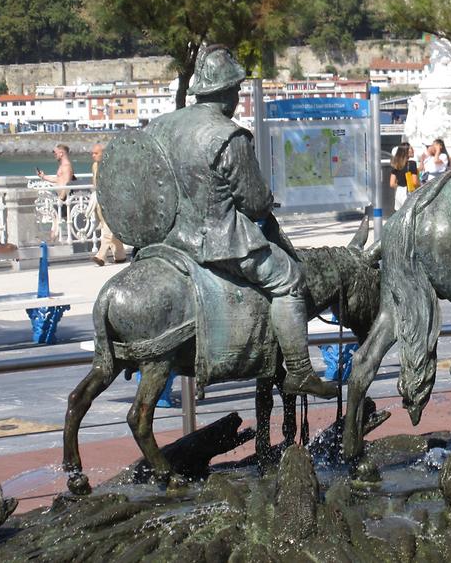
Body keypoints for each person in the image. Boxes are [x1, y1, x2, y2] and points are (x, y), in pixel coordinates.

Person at [143, 45, 336, 399]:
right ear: (227, 92)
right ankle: (299, 370)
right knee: (289, 280)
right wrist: (265, 202)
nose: (238, 95)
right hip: (219, 241)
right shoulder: (229, 135)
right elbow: (255, 203)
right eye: (236, 89)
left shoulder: (161, 127)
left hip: (169, 240)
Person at [89, 143, 126, 266]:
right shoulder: (95, 166)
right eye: (92, 153)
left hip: (112, 200)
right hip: (100, 200)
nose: (93, 155)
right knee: (108, 226)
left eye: (96, 153)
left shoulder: (112, 166)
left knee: (108, 228)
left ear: (104, 154)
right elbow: (95, 184)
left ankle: (101, 255)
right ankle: (120, 255)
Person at [37, 144, 75, 240]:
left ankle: (53, 240)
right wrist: (43, 176)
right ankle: (54, 239)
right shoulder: (62, 166)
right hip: (61, 198)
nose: (54, 155)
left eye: (55, 152)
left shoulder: (66, 166)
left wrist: (61, 198)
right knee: (56, 220)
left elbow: (66, 183)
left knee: (57, 221)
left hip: (64, 199)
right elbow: (58, 179)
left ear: (61, 153)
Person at [390, 141, 418, 211]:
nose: (413, 150)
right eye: (411, 148)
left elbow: (392, 184)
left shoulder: (395, 164)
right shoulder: (412, 163)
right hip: (408, 192)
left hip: (398, 192)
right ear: (406, 151)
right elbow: (414, 182)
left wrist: (400, 185)